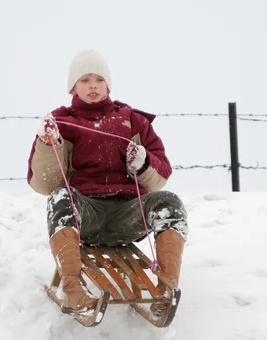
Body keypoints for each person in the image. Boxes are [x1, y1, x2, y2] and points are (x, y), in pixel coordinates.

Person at [27, 49, 188, 315]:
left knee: (168, 203)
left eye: (98, 79)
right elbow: (44, 184)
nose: (92, 86)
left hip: (127, 215)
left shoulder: (131, 120)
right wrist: (49, 145)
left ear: (108, 84)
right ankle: (73, 291)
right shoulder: (61, 123)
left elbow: (161, 176)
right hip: (86, 214)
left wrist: (144, 163)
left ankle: (166, 289)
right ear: (73, 87)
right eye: (85, 80)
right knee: (60, 198)